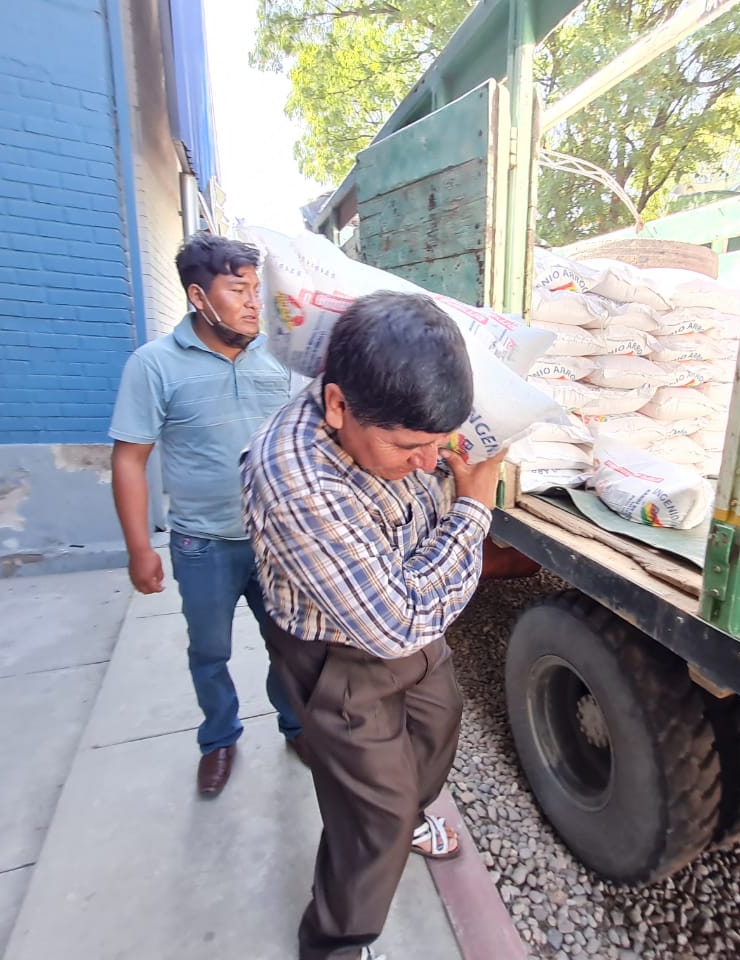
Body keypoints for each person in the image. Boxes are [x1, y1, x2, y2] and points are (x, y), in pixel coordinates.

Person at [239, 291, 505, 960]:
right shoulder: (295, 475)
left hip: (407, 620)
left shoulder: (387, 419)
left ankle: (411, 815)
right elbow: (396, 625)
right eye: (409, 447)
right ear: (336, 406)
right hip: (337, 658)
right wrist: (472, 510)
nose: (428, 462)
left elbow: (414, 611)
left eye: (436, 446)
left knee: (438, 724)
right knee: (371, 820)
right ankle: (335, 942)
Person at [109, 231, 304, 798]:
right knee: (210, 650)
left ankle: (295, 726)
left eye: (256, 289)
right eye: (237, 289)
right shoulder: (154, 366)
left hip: (278, 540)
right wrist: (140, 547)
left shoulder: (280, 357)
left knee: (289, 644)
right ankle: (219, 739)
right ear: (199, 296)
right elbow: (130, 458)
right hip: (202, 544)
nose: (252, 302)